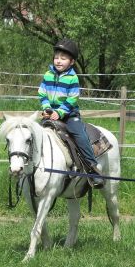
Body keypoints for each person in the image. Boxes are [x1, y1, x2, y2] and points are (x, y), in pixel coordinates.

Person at [38, 39, 103, 188]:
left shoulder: (72, 78)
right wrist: (47, 108)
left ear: (72, 62)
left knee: (80, 135)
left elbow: (72, 98)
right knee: (35, 134)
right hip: (50, 113)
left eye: (63, 58)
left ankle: (92, 168)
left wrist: (60, 112)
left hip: (69, 115)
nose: (58, 61)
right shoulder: (48, 74)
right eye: (56, 57)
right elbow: (42, 93)